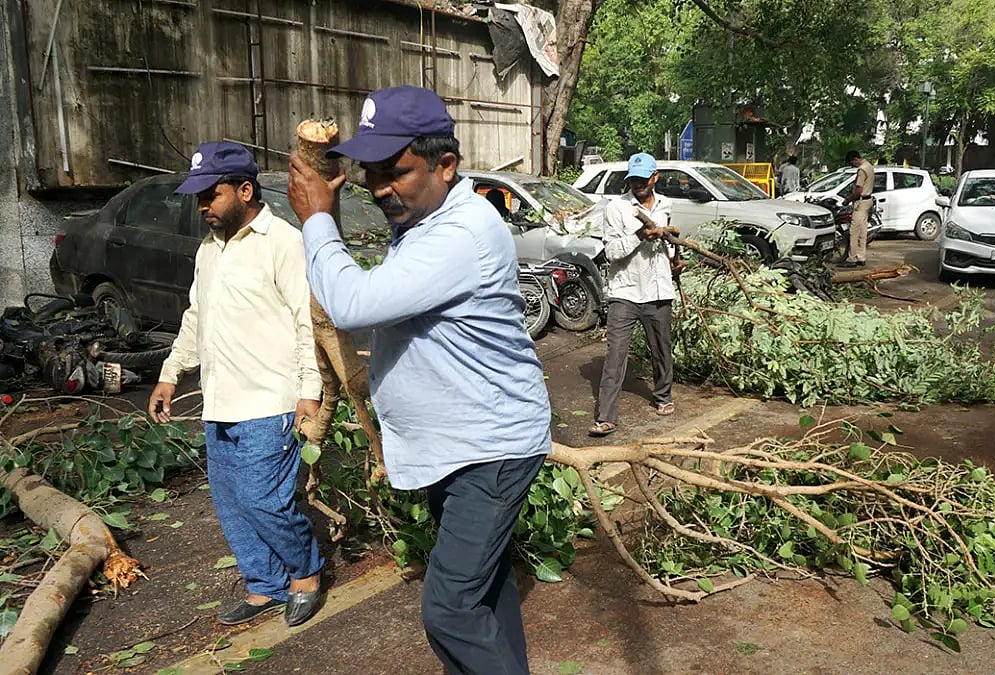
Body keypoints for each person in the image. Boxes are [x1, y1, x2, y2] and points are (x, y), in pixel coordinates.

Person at [287, 85, 550, 674]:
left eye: (396, 172)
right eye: (371, 172)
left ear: (445, 164)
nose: (380, 187)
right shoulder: (428, 221)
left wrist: (317, 222)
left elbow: (353, 304)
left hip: (490, 447)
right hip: (457, 446)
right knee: (483, 594)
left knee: (451, 610)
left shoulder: (462, 232)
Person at [149, 142, 325, 628]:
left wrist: (309, 390)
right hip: (220, 401)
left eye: (212, 194)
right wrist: (170, 373)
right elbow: (196, 317)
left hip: (270, 401)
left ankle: (305, 575)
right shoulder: (210, 249)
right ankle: (263, 584)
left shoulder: (283, 243)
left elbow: (307, 322)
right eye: (198, 197)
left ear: (245, 190)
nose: (202, 205)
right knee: (230, 504)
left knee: (264, 500)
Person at [589, 152, 682, 437]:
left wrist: (675, 259)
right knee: (616, 354)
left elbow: (671, 243)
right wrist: (642, 235)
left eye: (644, 179)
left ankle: (663, 396)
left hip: (658, 289)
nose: (639, 185)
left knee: (662, 349)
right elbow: (613, 253)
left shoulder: (666, 205)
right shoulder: (617, 208)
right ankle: (606, 416)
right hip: (625, 291)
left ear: (655, 178)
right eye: (634, 180)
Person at [840, 150, 875, 267]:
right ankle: (861, 256)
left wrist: (847, 200)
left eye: (852, 163)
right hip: (868, 200)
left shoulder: (862, 170)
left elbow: (858, 190)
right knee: (862, 231)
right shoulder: (869, 166)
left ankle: (852, 258)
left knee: (854, 232)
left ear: (855, 159)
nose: (853, 165)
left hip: (860, 202)